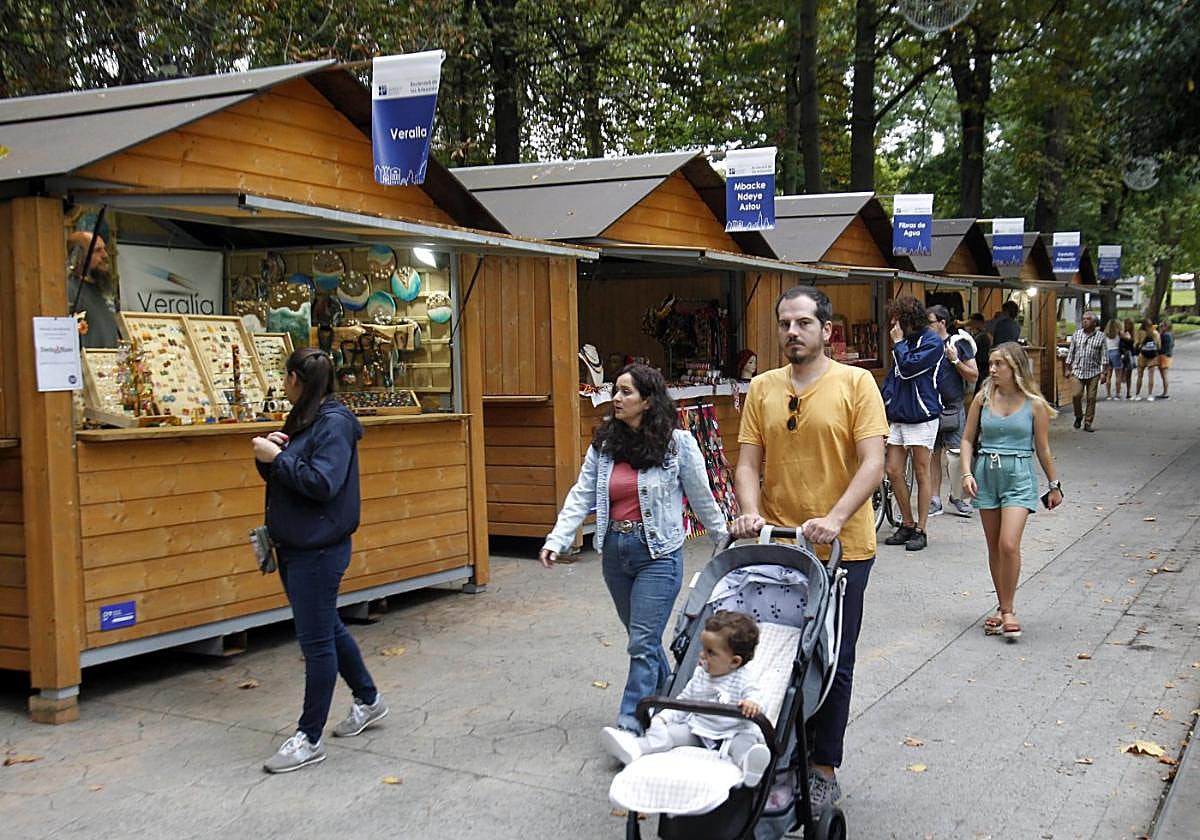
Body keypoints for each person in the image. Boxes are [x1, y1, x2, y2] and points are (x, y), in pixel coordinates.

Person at [730, 285, 888, 812]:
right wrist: (750, 512)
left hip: (844, 548)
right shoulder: (763, 388)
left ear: (826, 329)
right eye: (784, 324)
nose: (791, 332)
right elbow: (749, 461)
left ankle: (822, 766)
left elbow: (873, 462)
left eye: (802, 323)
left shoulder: (855, 384)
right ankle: (772, 753)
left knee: (834, 659)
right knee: (772, 654)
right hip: (780, 547)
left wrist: (836, 517)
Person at [540, 364, 729, 734]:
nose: (616, 398)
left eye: (626, 392)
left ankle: (631, 719)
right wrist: (557, 538)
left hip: (658, 556)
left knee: (642, 642)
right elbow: (581, 494)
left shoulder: (678, 445)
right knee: (643, 640)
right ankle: (672, 696)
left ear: (647, 400)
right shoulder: (606, 445)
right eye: (616, 390)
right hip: (615, 552)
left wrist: (725, 539)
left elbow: (702, 497)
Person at [254, 349, 387, 773]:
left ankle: (308, 737)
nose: (283, 383)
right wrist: (274, 457)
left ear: (296, 378)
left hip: (319, 548)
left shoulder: (333, 423)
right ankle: (369, 700)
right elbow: (292, 476)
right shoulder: (304, 417)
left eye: (285, 377)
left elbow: (322, 482)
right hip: (295, 543)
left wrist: (280, 459)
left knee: (316, 644)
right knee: (327, 625)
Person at [599, 611, 773, 787]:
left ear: (734, 662)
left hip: (733, 733)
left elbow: (757, 697)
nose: (702, 656)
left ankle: (749, 764)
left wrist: (752, 704)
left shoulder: (744, 679)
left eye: (710, 652)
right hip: (699, 729)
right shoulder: (700, 675)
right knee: (672, 734)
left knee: (744, 743)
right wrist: (663, 717)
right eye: (703, 649)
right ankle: (636, 747)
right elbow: (684, 702)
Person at [960, 343, 1062, 640]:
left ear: (1015, 367)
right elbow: (967, 440)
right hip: (986, 475)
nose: (991, 369)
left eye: (998, 364)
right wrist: (966, 472)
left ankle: (1007, 610)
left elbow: (1042, 448)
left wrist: (1054, 485)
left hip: (1019, 475)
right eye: (990, 364)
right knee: (994, 547)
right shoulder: (982, 398)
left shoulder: (1035, 404)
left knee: (1008, 544)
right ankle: (1004, 606)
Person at [880, 295, 944, 551]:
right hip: (899, 414)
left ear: (907, 320)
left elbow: (908, 369)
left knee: (921, 472)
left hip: (923, 415)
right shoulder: (903, 342)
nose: (893, 327)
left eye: (897, 321)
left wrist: (897, 344)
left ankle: (921, 529)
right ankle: (906, 523)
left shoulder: (932, 342)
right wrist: (886, 401)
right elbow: (894, 376)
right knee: (894, 470)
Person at [927, 305, 978, 518]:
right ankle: (934, 499)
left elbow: (974, 375)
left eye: (929, 322)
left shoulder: (959, 343)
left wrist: (955, 360)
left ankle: (958, 496)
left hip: (952, 407)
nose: (926, 326)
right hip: (930, 407)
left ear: (942, 322)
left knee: (956, 454)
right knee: (932, 455)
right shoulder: (926, 345)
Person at [66, 231, 120, 349]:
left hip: (112, 364)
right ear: (77, 255)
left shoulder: (107, 291)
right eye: (97, 250)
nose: (105, 255)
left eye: (104, 249)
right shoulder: (68, 291)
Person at [1065, 311, 1106, 432]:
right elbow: (1071, 352)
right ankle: (1078, 416)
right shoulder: (1076, 335)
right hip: (1078, 370)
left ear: (1094, 322)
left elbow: (1104, 356)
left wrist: (1104, 373)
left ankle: (1088, 422)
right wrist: (1067, 368)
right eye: (1083, 319)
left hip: (1093, 371)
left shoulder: (1100, 337)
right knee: (1076, 395)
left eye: (1088, 319)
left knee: (1091, 397)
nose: (1085, 321)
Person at [1134, 318, 1161, 399]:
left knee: (1140, 376)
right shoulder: (1155, 333)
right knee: (1151, 376)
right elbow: (1159, 346)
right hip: (1152, 356)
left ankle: (1137, 394)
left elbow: (1136, 345)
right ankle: (1150, 395)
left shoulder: (1140, 333)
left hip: (1142, 355)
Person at [966, 313, 993, 393]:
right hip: (980, 365)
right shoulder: (980, 335)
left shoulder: (982, 336)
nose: (969, 326)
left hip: (982, 366)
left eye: (971, 323)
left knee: (981, 390)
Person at [1101, 319, 1125, 400]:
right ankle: (1117, 394)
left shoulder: (1105, 334)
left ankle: (1108, 394)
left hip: (1108, 353)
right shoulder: (1119, 333)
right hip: (1116, 352)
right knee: (1118, 375)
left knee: (1108, 375)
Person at [1157, 319, 1174, 399]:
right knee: (1164, 375)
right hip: (1168, 355)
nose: (1161, 327)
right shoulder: (1171, 334)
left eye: (1163, 326)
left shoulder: (1164, 335)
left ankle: (1165, 392)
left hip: (1163, 356)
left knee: (1164, 375)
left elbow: (1159, 344)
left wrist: (1160, 332)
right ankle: (1165, 391)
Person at [1119, 318, 1137, 399]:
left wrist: (1124, 338)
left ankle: (1128, 392)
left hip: (1130, 354)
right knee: (1120, 373)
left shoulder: (1132, 334)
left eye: (1128, 324)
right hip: (1123, 354)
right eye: (1125, 324)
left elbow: (1132, 343)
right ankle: (1118, 392)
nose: (1126, 326)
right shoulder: (1122, 333)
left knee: (1129, 374)